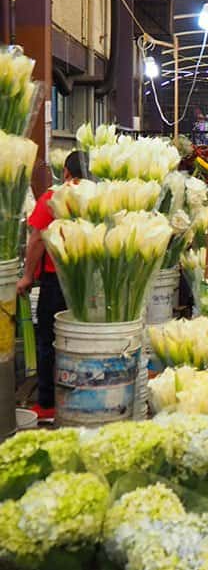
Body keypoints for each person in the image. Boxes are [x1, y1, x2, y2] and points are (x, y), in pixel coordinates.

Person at [17, 150, 87, 419]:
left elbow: (36, 240)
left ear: (66, 172)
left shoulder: (52, 198)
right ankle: (80, 395)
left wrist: (26, 277)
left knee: (49, 339)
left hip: (57, 281)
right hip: (88, 283)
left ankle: (47, 403)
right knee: (80, 339)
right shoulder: (97, 199)